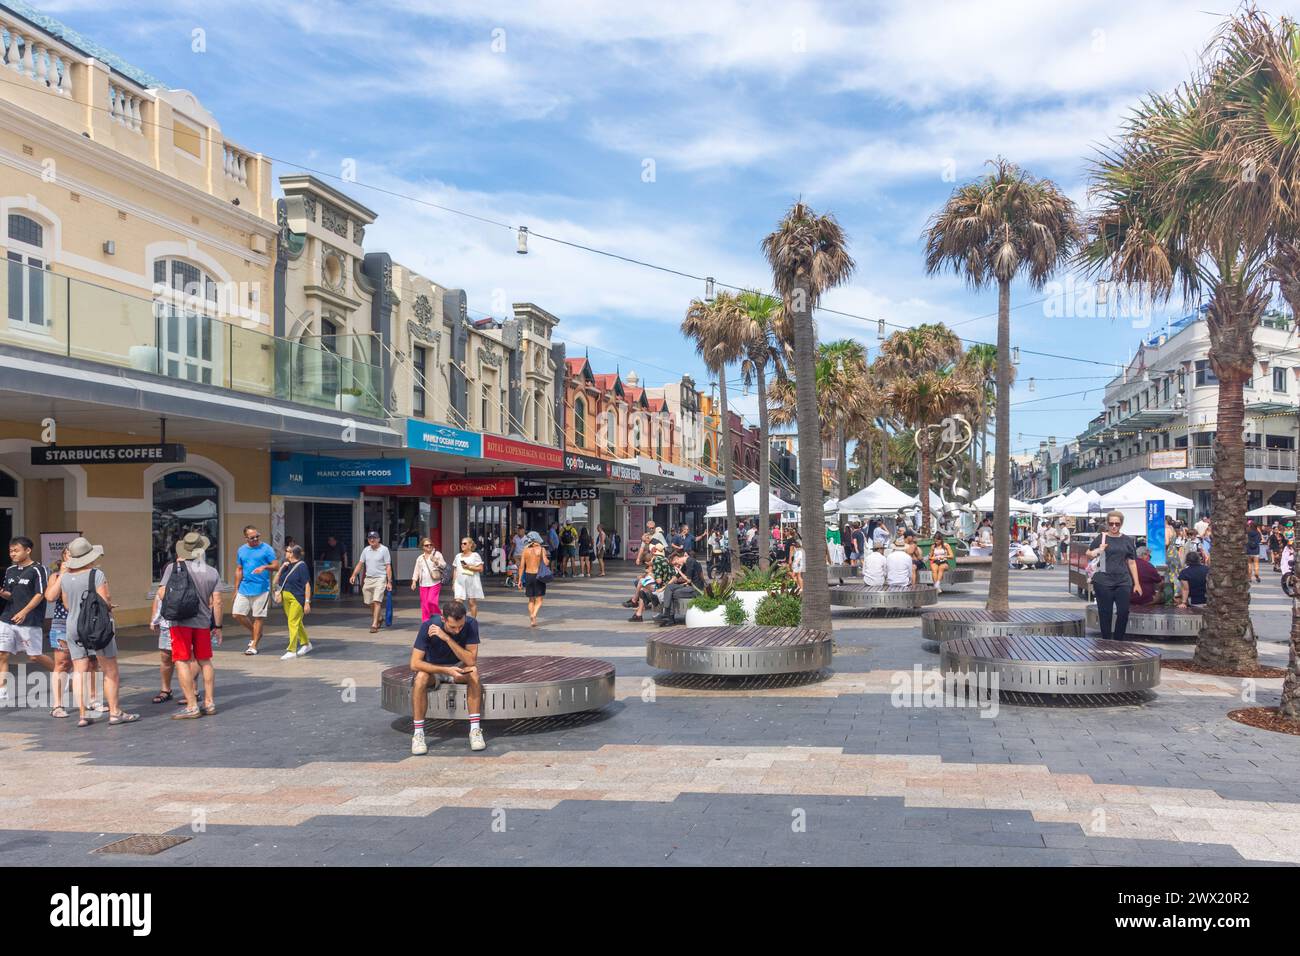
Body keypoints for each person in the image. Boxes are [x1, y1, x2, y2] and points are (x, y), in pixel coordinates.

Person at [49, 537, 137, 726]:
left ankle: (83, 715)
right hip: (96, 626)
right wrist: (108, 605)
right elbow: (104, 600)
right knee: (110, 670)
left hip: (72, 625)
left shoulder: (64, 577)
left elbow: (65, 603)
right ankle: (115, 713)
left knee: (79, 671)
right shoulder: (96, 574)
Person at [155, 531, 223, 717]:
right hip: (202, 622)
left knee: (182, 661)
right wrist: (217, 626)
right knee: (205, 661)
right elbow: (217, 602)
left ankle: (192, 706)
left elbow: (161, 594)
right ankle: (209, 702)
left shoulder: (174, 568)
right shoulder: (212, 572)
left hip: (180, 621)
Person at [408, 600, 485, 754]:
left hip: (457, 669)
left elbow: (471, 660)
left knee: (473, 673)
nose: (457, 630)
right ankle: (418, 734)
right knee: (421, 677)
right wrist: (445, 670)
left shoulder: (471, 624)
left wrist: (447, 638)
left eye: (460, 626)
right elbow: (414, 663)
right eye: (452, 627)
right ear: (443, 619)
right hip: (433, 670)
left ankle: (475, 731)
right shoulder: (428, 626)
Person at [0, 536, 53, 706]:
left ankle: (62, 674)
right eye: (10, 551)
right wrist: (2, 593)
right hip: (8, 618)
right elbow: (11, 594)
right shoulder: (10, 570)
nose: (12, 554)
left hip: (29, 620)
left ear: (27, 550)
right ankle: (2, 689)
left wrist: (24, 611)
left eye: (16, 550)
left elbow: (40, 594)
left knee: (34, 656)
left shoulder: (38, 570)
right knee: (2, 653)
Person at [1087, 510, 1140, 640]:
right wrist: (1099, 550)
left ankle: (1118, 640)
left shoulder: (1127, 540)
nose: (1114, 526)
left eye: (1117, 523)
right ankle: (1106, 639)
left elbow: (1132, 562)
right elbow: (1089, 553)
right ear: (1107, 524)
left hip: (1123, 580)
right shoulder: (1102, 537)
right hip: (1103, 580)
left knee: (1123, 612)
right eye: (1111, 524)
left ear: (1121, 524)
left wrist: (1137, 583)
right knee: (1105, 613)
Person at [233, 525, 278, 655]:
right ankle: (256, 633)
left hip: (262, 588)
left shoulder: (266, 549)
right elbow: (239, 569)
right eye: (252, 537)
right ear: (246, 538)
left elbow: (276, 565)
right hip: (244, 587)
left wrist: (264, 567)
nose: (256, 539)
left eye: (258, 536)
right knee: (237, 614)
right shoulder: (241, 550)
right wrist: (236, 589)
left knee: (258, 617)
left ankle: (253, 645)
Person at [273, 544, 314, 660]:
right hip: (286, 598)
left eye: (287, 551)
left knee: (292, 622)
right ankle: (306, 643)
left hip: (297, 598)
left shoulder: (302, 566)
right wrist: (281, 568)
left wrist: (307, 602)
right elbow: (275, 581)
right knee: (296, 622)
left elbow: (307, 585)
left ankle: (291, 650)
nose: (285, 553)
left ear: (292, 554)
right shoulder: (286, 566)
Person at [350, 531, 393, 633]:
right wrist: (353, 575)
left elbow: (388, 566)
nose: (372, 540)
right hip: (368, 579)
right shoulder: (366, 550)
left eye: (374, 538)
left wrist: (389, 581)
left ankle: (374, 624)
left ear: (379, 539)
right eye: (370, 538)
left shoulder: (384, 550)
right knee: (369, 602)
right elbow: (360, 564)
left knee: (377, 601)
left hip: (380, 578)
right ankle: (379, 617)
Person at [656, 546, 706, 626]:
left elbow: (688, 579)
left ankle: (669, 617)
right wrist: (662, 588)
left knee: (672, 593)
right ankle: (666, 614)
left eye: (675, 563)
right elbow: (675, 577)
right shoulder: (685, 564)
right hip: (688, 587)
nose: (677, 566)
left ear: (677, 558)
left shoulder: (690, 562)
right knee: (669, 587)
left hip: (694, 589)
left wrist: (680, 571)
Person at [629, 543, 671, 623]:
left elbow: (659, 580)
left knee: (641, 583)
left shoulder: (657, 561)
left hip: (661, 587)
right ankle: (638, 613)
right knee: (642, 589)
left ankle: (634, 601)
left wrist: (652, 574)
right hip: (662, 584)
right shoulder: (663, 559)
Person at [517, 532, 551, 627]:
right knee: (539, 600)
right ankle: (534, 614)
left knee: (531, 599)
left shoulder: (525, 550)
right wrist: (547, 560)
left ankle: (533, 621)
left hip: (528, 575)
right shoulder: (541, 549)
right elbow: (546, 562)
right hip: (538, 576)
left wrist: (519, 580)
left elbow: (521, 566)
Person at [410, 538, 447, 621]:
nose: (429, 546)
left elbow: (444, 565)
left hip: (435, 582)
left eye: (431, 545)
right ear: (423, 547)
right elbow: (416, 570)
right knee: (424, 604)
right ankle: (426, 622)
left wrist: (437, 562)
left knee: (431, 601)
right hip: (423, 583)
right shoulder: (420, 558)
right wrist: (414, 581)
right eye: (427, 545)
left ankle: (439, 617)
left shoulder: (437, 554)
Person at [451, 537, 484, 618]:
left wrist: (469, 567)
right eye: (462, 543)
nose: (462, 545)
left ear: (470, 545)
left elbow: (480, 569)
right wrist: (454, 582)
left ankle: (473, 621)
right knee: (458, 603)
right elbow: (455, 569)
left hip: (471, 582)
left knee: (472, 602)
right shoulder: (458, 556)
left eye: (465, 543)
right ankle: (460, 621)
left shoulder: (475, 555)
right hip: (459, 582)